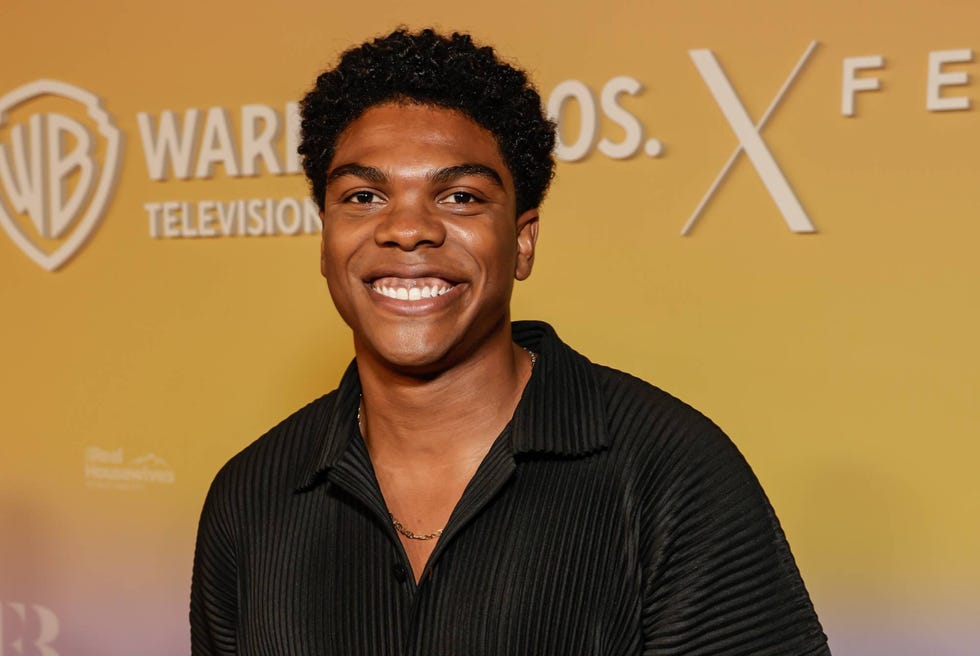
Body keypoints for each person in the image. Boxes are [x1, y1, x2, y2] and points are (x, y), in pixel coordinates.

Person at [191, 28, 830, 655]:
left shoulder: (672, 471)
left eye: (459, 196)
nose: (407, 229)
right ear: (325, 239)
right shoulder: (249, 496)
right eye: (364, 196)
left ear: (522, 241)